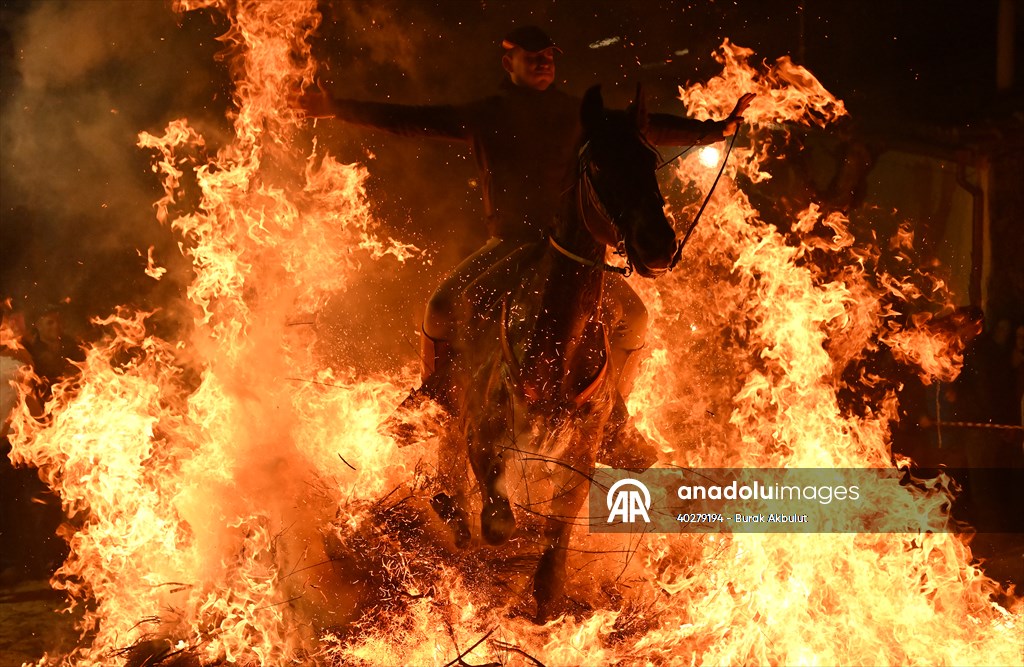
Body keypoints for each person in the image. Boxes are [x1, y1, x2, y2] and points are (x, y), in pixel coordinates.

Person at [296, 26, 751, 455]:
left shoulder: (579, 116)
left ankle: (613, 418)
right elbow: (413, 121)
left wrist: (715, 129)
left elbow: (645, 129)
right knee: (440, 309)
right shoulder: (487, 114)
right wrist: (337, 107)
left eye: (548, 57)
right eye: (532, 58)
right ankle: (434, 406)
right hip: (511, 244)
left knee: (633, 316)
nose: (543, 64)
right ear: (508, 61)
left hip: (574, 251)